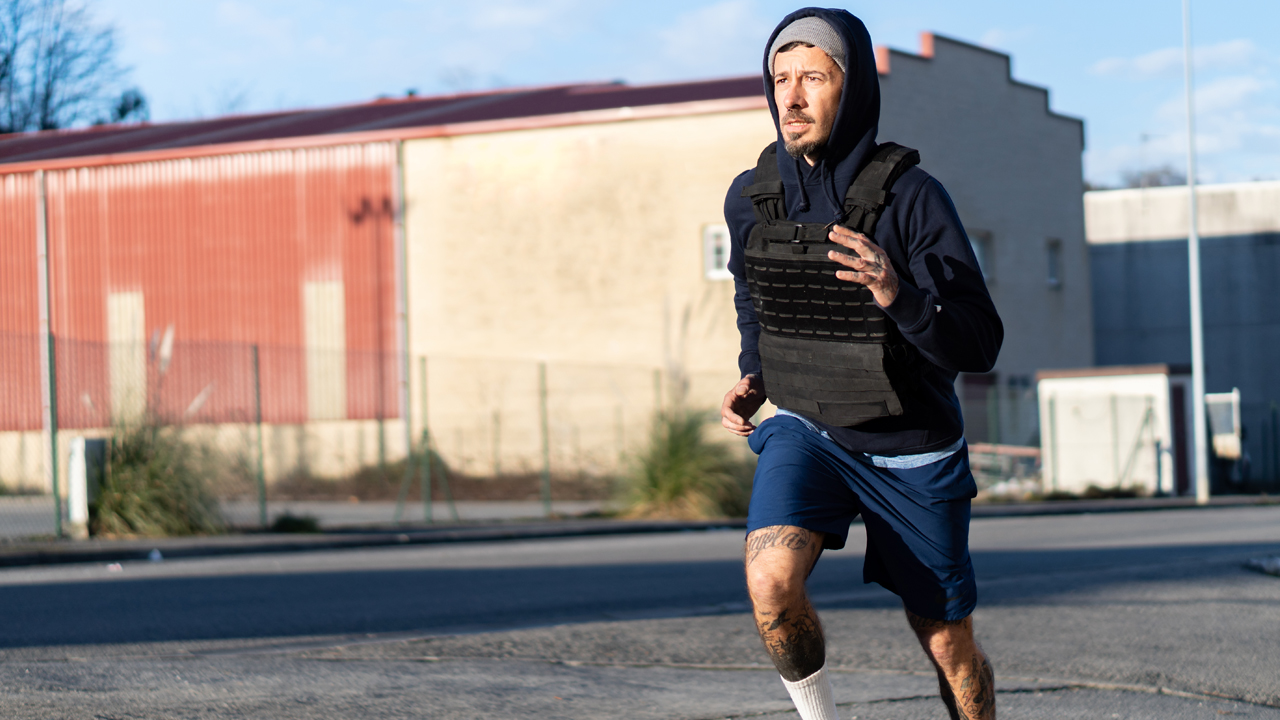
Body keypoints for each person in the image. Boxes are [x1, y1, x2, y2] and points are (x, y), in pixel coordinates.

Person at [719, 8, 1003, 720]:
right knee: (770, 580)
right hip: (808, 427)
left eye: (813, 76)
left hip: (912, 448)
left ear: (853, 88)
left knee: (946, 641)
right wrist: (755, 372)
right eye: (780, 78)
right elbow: (751, 291)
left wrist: (893, 291)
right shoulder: (752, 197)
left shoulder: (912, 197)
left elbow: (979, 342)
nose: (791, 96)